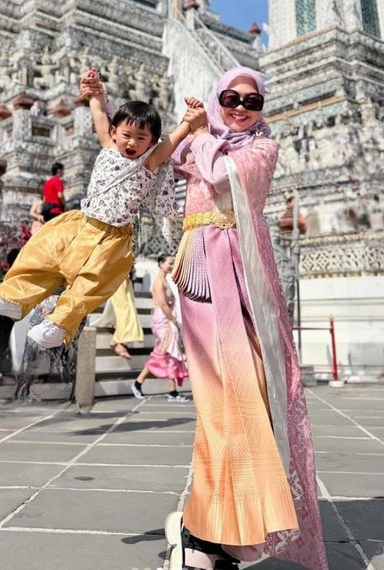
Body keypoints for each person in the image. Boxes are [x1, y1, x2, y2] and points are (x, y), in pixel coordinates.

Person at [165, 67, 327, 570]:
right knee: (222, 401)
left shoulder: (261, 149)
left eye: (251, 101)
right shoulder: (205, 140)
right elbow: (167, 165)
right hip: (200, 278)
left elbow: (220, 179)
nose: (240, 107)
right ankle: (207, 534)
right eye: (230, 98)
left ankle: (218, 531)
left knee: (250, 395)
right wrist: (192, 126)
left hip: (241, 279)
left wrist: (201, 135)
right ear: (217, 99)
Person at [0, 69, 199, 350]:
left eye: (141, 138)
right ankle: (12, 299)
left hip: (112, 238)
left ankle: (58, 325)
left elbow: (170, 144)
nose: (132, 143)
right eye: (127, 135)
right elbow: (99, 115)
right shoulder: (107, 146)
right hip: (81, 223)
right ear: (114, 133)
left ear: (151, 142)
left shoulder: (149, 164)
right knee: (40, 256)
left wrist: (187, 122)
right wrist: (95, 92)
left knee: (89, 284)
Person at [132, 253, 189, 402]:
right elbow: (163, 304)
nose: (171, 266)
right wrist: (173, 320)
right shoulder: (158, 282)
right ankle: (139, 383)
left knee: (168, 353)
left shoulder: (165, 280)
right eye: (170, 263)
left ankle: (171, 391)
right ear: (161, 263)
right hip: (163, 320)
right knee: (163, 352)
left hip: (167, 319)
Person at [92, 269, 144, 359]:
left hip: (123, 278)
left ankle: (117, 340)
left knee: (127, 310)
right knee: (125, 311)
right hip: (118, 278)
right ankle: (119, 342)